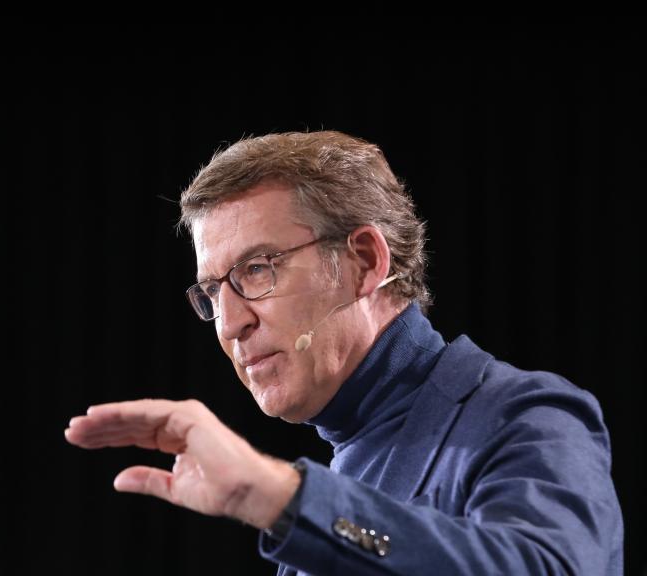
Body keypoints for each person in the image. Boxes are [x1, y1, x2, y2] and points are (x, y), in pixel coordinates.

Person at [64, 131, 623, 575]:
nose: (231, 323)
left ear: (364, 261)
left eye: (256, 269)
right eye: (213, 291)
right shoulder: (336, 476)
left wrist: (278, 496)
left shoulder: (527, 415)